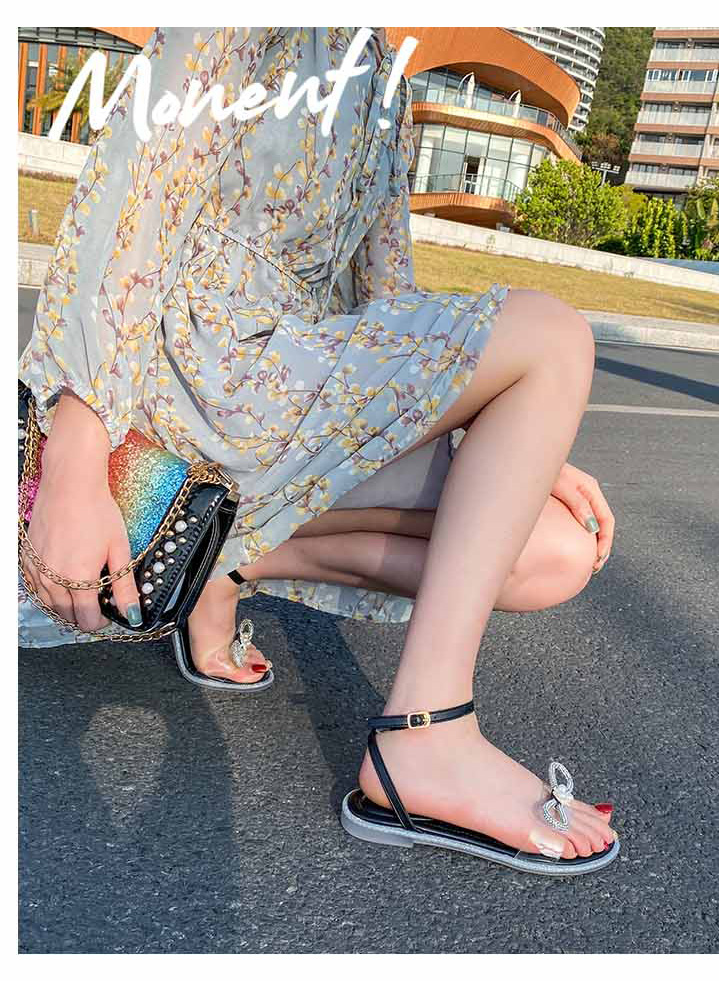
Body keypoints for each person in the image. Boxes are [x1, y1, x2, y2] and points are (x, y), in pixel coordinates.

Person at [19, 27, 618, 874]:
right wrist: (75, 459)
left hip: (287, 390)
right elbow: (135, 188)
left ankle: (217, 562)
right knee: (554, 336)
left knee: (555, 550)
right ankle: (426, 733)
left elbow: (389, 307)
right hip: (192, 376)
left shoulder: (381, 72)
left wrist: (516, 436)